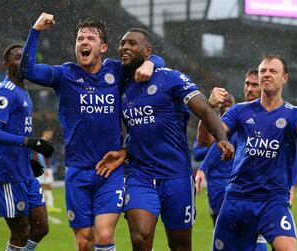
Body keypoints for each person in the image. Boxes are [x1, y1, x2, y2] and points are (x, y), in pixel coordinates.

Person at [19, 12, 165, 251]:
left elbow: (157, 61)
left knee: (104, 235)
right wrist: (35, 30)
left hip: (110, 171)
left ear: (104, 47)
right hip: (77, 171)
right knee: (84, 242)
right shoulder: (64, 75)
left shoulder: (117, 71)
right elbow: (27, 70)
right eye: (80, 39)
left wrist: (150, 62)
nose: (84, 42)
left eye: (90, 38)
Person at [96, 27, 234, 251]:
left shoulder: (171, 78)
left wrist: (221, 138)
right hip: (140, 174)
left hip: (176, 176)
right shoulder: (121, 85)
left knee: (179, 245)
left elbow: (205, 110)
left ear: (147, 51)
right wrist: (126, 151)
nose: (124, 47)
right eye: (122, 43)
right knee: (140, 238)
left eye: (132, 43)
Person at [197, 55, 297, 251]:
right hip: (237, 199)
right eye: (263, 71)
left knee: (288, 248)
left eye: (273, 71)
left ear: (285, 78)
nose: (266, 74)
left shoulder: (293, 113)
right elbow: (206, 140)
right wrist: (208, 109)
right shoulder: (239, 111)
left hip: (273, 201)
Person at [0, 44, 54, 251]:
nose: (21, 61)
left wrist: (28, 159)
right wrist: (29, 142)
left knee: (41, 227)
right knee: (20, 232)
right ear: (6, 65)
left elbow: (15, 131)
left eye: (24, 57)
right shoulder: (6, 92)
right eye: (16, 57)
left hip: (22, 169)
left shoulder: (23, 90)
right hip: (6, 173)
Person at [195, 70, 269, 251]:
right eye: (247, 84)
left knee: (265, 239)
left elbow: (288, 152)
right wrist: (209, 108)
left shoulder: (277, 116)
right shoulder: (238, 116)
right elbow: (206, 143)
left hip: (263, 189)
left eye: (254, 85)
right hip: (223, 187)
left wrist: (289, 184)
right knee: (230, 238)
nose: (249, 89)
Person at [34, 127, 61, 213]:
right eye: (50, 134)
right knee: (46, 186)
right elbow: (39, 156)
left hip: (42, 167)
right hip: (43, 168)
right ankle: (47, 206)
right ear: (45, 132)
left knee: (44, 186)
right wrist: (44, 169)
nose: (51, 136)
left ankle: (46, 205)